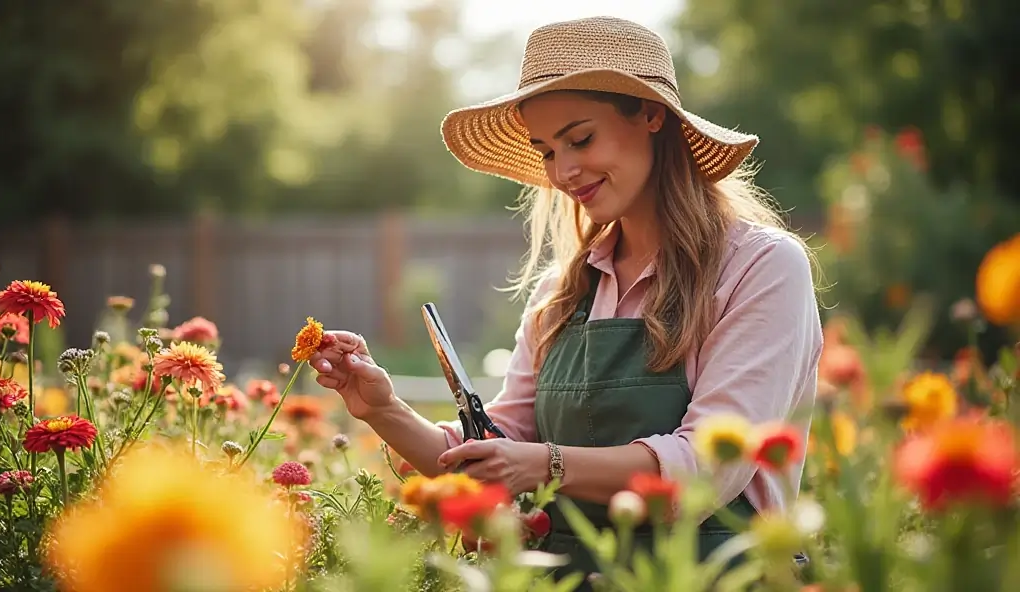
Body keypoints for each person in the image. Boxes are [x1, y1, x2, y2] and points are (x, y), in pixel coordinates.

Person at [310, 15, 823, 587]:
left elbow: (711, 466)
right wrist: (382, 408)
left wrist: (545, 463)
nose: (563, 171)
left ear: (652, 116)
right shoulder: (563, 292)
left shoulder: (760, 266)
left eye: (580, 139)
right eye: (547, 151)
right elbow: (494, 451)